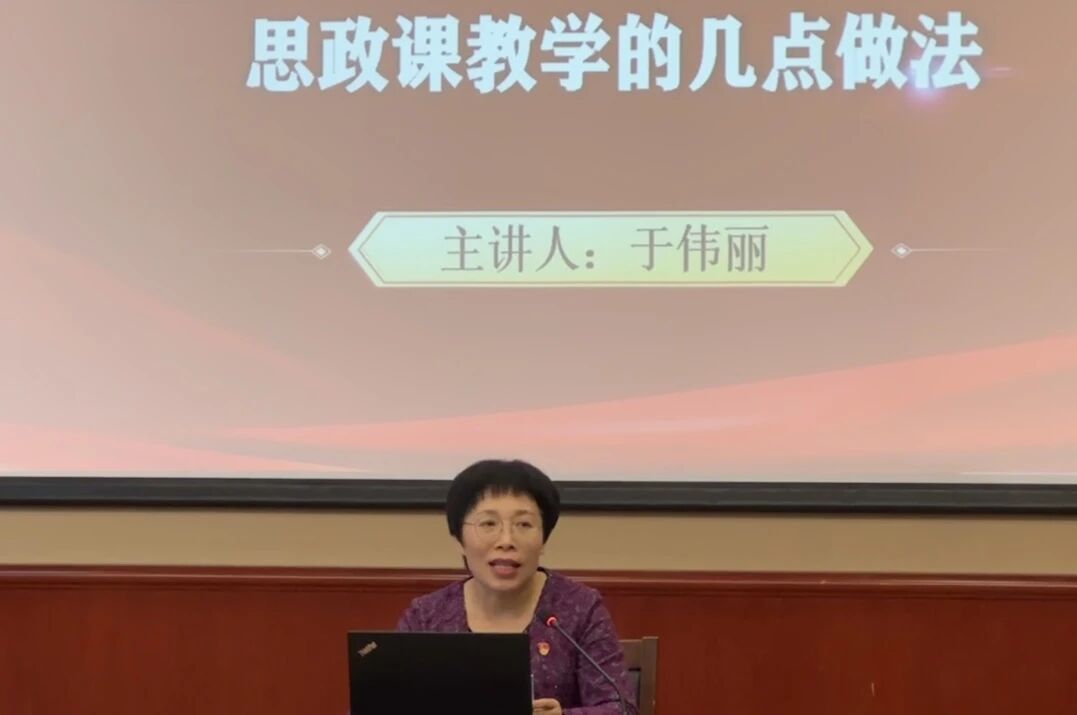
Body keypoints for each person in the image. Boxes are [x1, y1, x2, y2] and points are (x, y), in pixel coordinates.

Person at [397, 459, 638, 715]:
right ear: (458, 539)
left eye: (523, 525)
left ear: (543, 539)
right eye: (488, 524)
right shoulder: (427, 616)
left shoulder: (580, 607)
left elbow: (622, 709)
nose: (506, 541)